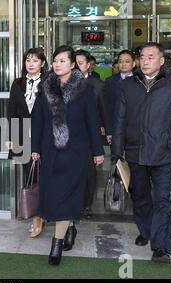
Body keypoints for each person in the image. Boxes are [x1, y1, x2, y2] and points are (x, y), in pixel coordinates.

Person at [112, 42, 171, 263]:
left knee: (163, 199)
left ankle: (162, 247)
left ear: (161, 61)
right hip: (135, 153)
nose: (145, 61)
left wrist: (167, 139)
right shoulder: (127, 86)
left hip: (162, 154)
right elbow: (119, 121)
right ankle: (146, 230)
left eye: (150, 57)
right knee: (141, 197)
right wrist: (117, 151)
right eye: (142, 57)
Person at [32, 45, 104, 266]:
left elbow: (92, 121)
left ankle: (57, 242)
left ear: (73, 65)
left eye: (63, 60)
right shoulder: (46, 88)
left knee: (67, 195)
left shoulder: (85, 89)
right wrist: (35, 147)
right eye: (55, 60)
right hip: (51, 151)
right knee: (55, 195)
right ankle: (70, 226)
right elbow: (38, 121)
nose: (57, 64)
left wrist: (98, 151)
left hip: (76, 152)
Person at [7, 47, 49, 237]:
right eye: (27, 61)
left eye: (34, 60)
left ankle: (41, 215)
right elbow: (11, 112)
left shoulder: (50, 82)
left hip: (45, 136)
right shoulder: (17, 83)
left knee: (43, 177)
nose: (30, 64)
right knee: (30, 177)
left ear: (43, 63)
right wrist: (10, 137)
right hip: (23, 135)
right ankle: (37, 216)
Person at [75, 49, 110, 219]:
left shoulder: (97, 85)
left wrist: (108, 131)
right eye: (74, 63)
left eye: (80, 63)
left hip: (89, 135)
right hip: (69, 136)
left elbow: (104, 110)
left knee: (89, 171)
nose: (76, 66)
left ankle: (86, 204)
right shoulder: (63, 82)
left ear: (89, 65)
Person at [105, 49, 136, 144]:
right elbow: (107, 107)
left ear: (133, 64)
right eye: (120, 61)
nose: (123, 64)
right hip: (116, 127)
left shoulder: (140, 81)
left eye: (127, 61)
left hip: (135, 128)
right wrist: (109, 131)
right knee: (117, 157)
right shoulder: (110, 81)